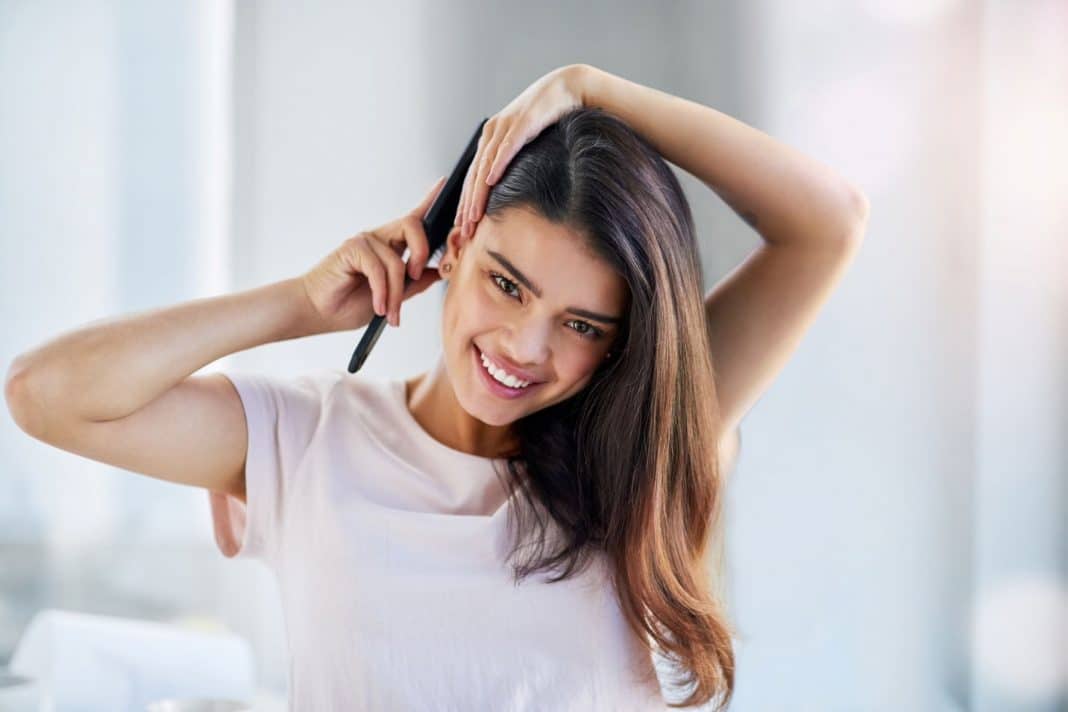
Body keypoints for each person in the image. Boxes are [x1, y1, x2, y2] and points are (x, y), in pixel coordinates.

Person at [5, 63, 869, 710]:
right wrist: (299, 304)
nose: (525, 347)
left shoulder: (642, 448)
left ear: (619, 345)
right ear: (452, 244)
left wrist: (591, 89)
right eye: (506, 283)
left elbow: (826, 225)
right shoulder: (306, 442)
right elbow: (47, 393)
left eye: (582, 325)